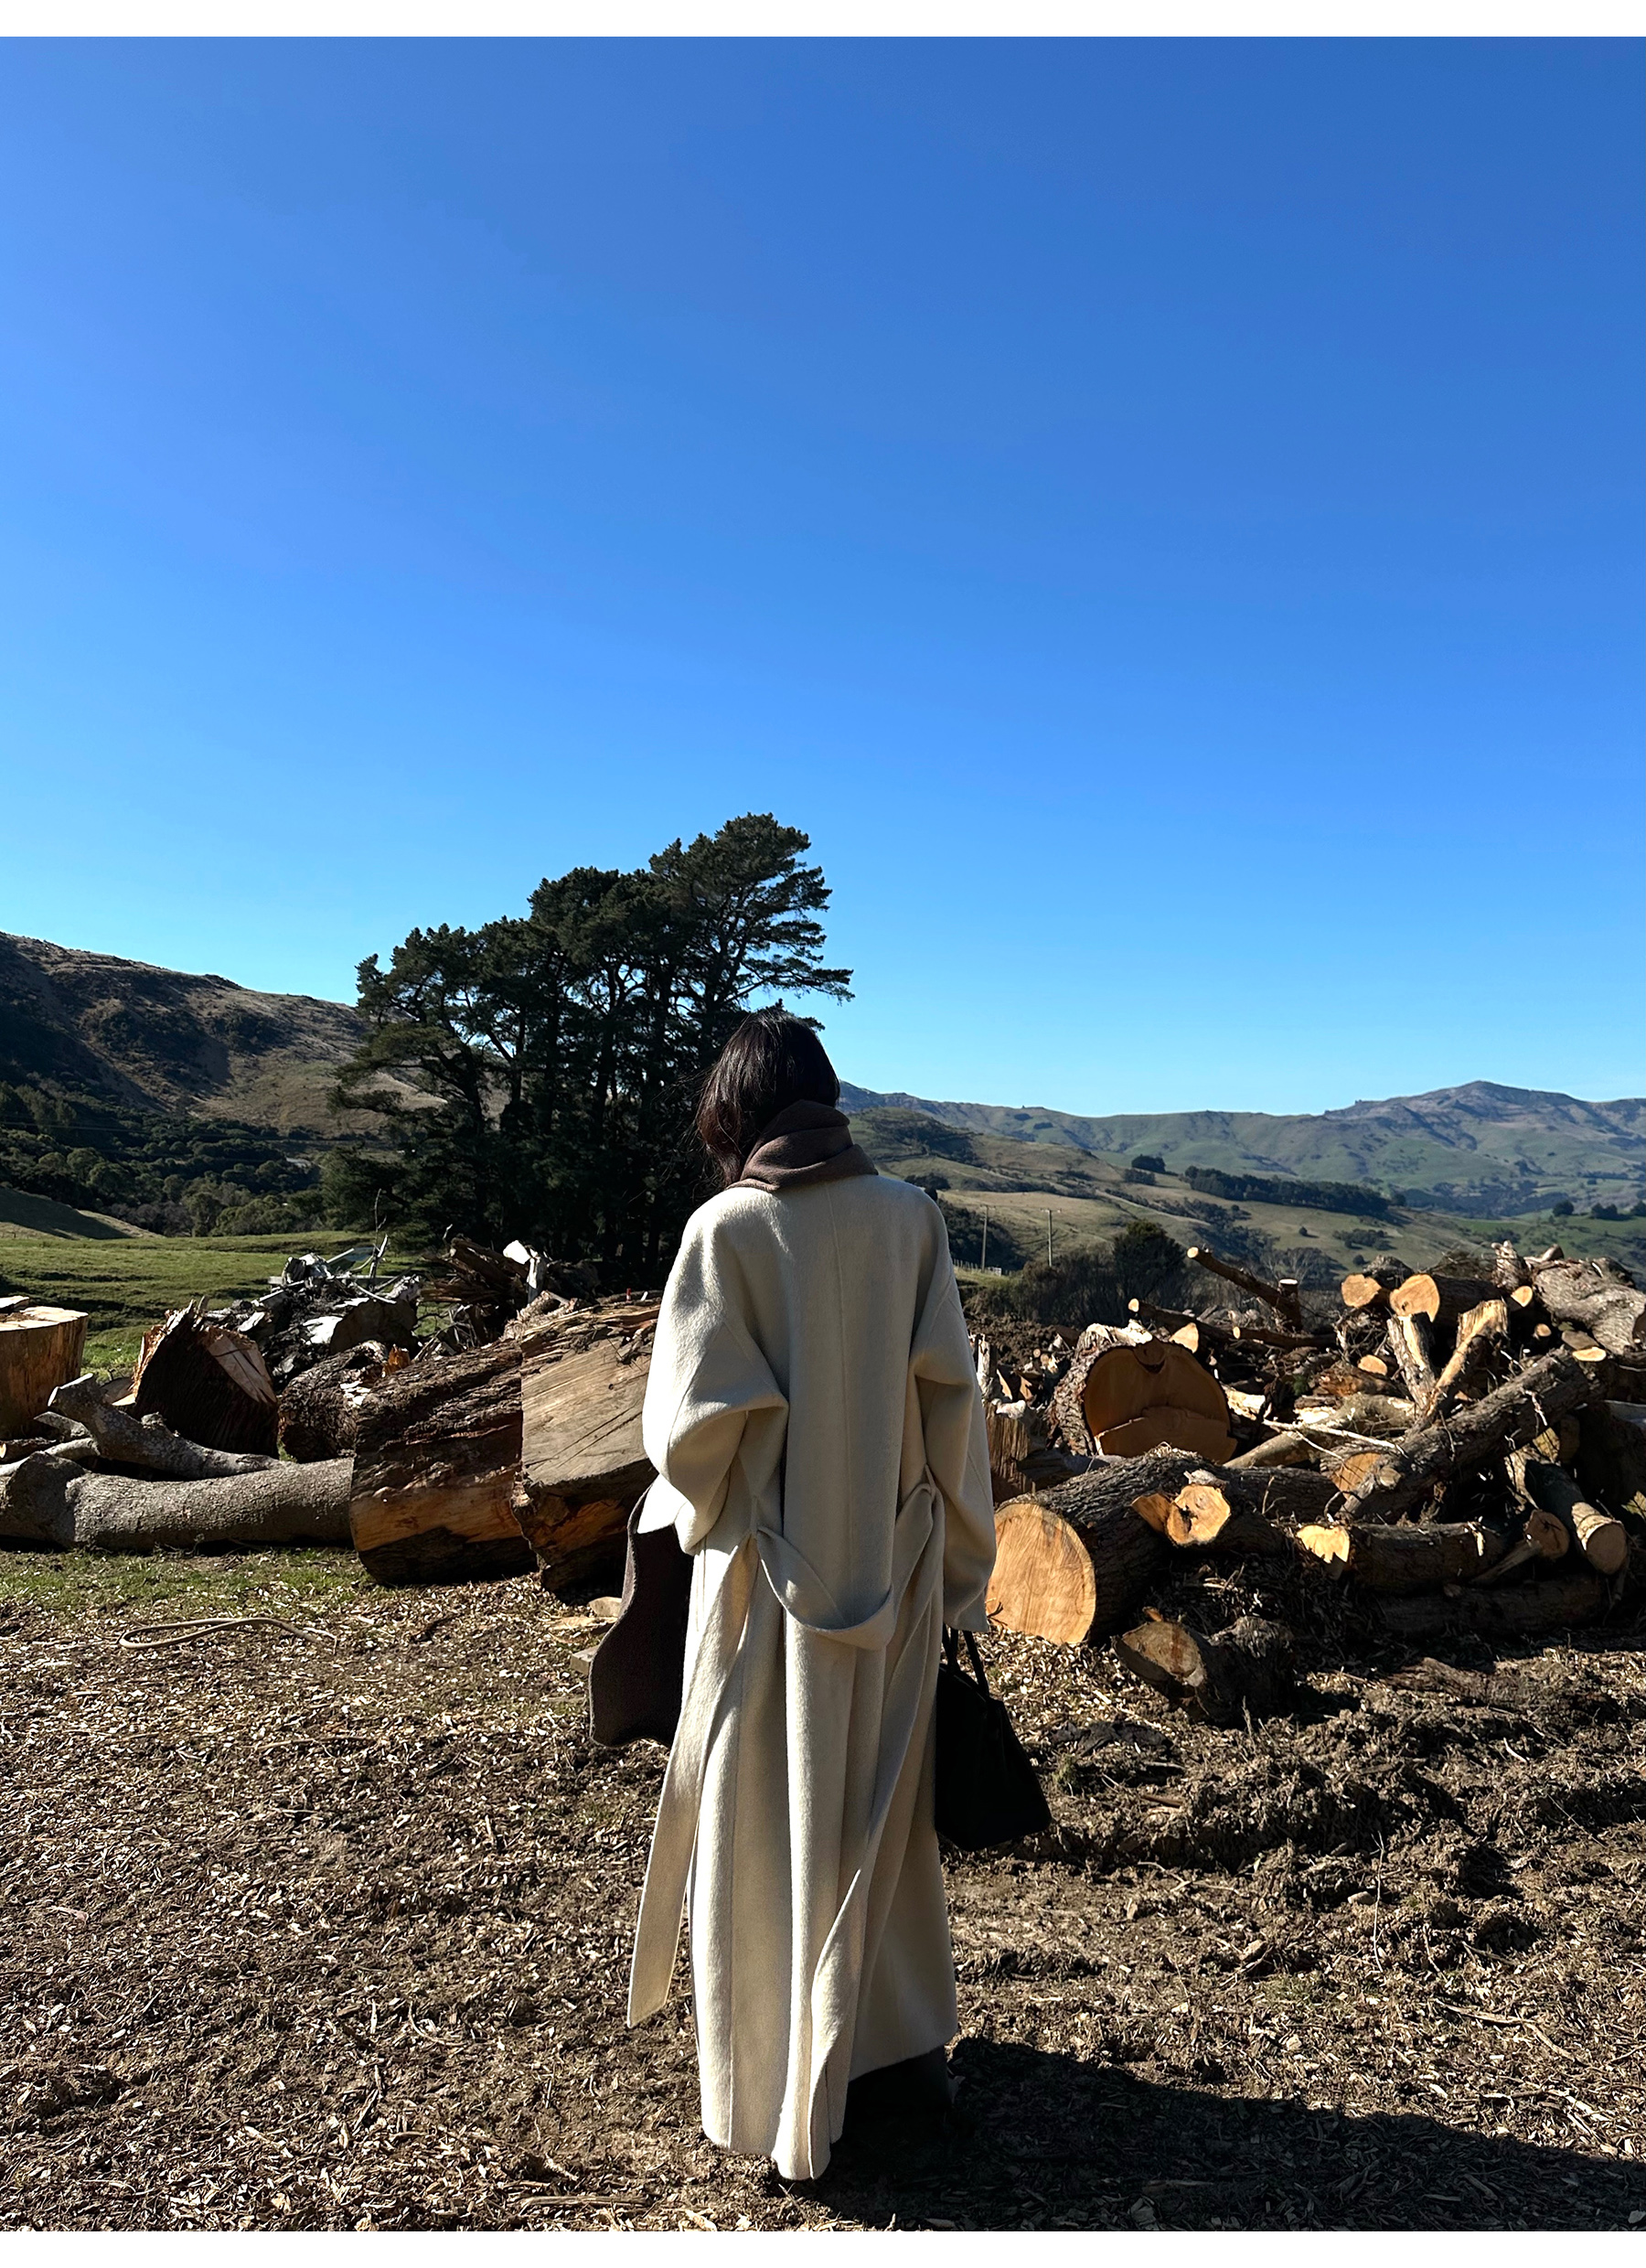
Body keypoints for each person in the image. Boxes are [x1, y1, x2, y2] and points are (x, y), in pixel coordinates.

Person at [624, 1007, 998, 2182]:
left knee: (762, 1827)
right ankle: (889, 2057)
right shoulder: (910, 1218)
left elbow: (691, 1436)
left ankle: (776, 2086)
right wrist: (964, 1569)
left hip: (762, 1591)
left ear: (733, 1113)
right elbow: (954, 1406)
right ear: (826, 1101)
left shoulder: (725, 1231)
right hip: (891, 1572)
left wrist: (700, 1510)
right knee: (879, 1821)